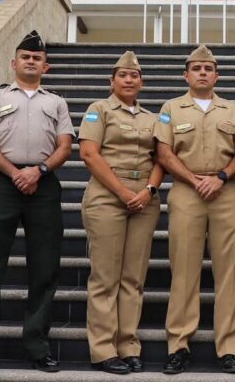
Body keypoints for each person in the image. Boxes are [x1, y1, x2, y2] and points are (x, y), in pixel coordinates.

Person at [0, 30, 74, 378]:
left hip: (43, 186)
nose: (31, 61)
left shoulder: (56, 101)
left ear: (47, 65)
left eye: (37, 58)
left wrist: (38, 171)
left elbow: (64, 146)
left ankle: (37, 347)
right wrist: (16, 173)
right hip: (2, 184)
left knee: (44, 269)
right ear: (14, 63)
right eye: (25, 57)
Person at [154, 45, 235, 374]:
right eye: (197, 68)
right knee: (184, 271)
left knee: (230, 272)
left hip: (226, 192)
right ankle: (179, 344)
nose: (203, 72)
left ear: (217, 75)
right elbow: (164, 154)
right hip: (186, 192)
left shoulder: (233, 110)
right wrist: (194, 179)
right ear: (186, 75)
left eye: (209, 68)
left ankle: (230, 348)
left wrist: (220, 178)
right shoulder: (170, 109)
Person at [78, 51, 163, 375]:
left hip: (143, 200)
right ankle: (103, 350)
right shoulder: (98, 111)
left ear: (141, 82)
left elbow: (162, 159)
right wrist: (123, 191)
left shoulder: (152, 119)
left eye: (134, 76)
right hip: (107, 196)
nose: (129, 80)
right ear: (112, 80)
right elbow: (88, 153)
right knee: (105, 277)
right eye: (123, 75)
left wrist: (148, 191)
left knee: (133, 277)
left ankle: (128, 345)